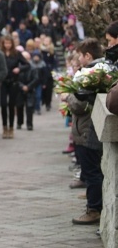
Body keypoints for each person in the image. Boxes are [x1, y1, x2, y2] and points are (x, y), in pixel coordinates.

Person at [64, 38, 104, 225]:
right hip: (87, 128)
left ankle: (94, 209)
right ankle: (93, 204)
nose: (78, 59)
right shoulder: (99, 70)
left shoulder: (91, 74)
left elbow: (80, 104)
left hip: (88, 130)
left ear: (88, 56)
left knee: (92, 171)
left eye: (80, 55)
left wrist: (67, 96)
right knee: (92, 171)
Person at [0, 34, 29, 137]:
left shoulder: (17, 53)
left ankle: (11, 127)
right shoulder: (0, 53)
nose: (7, 45)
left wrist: (19, 69)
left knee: (11, 105)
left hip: (13, 82)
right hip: (2, 82)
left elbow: (27, 64)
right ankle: (4, 127)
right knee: (3, 105)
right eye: (5, 43)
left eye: (9, 43)